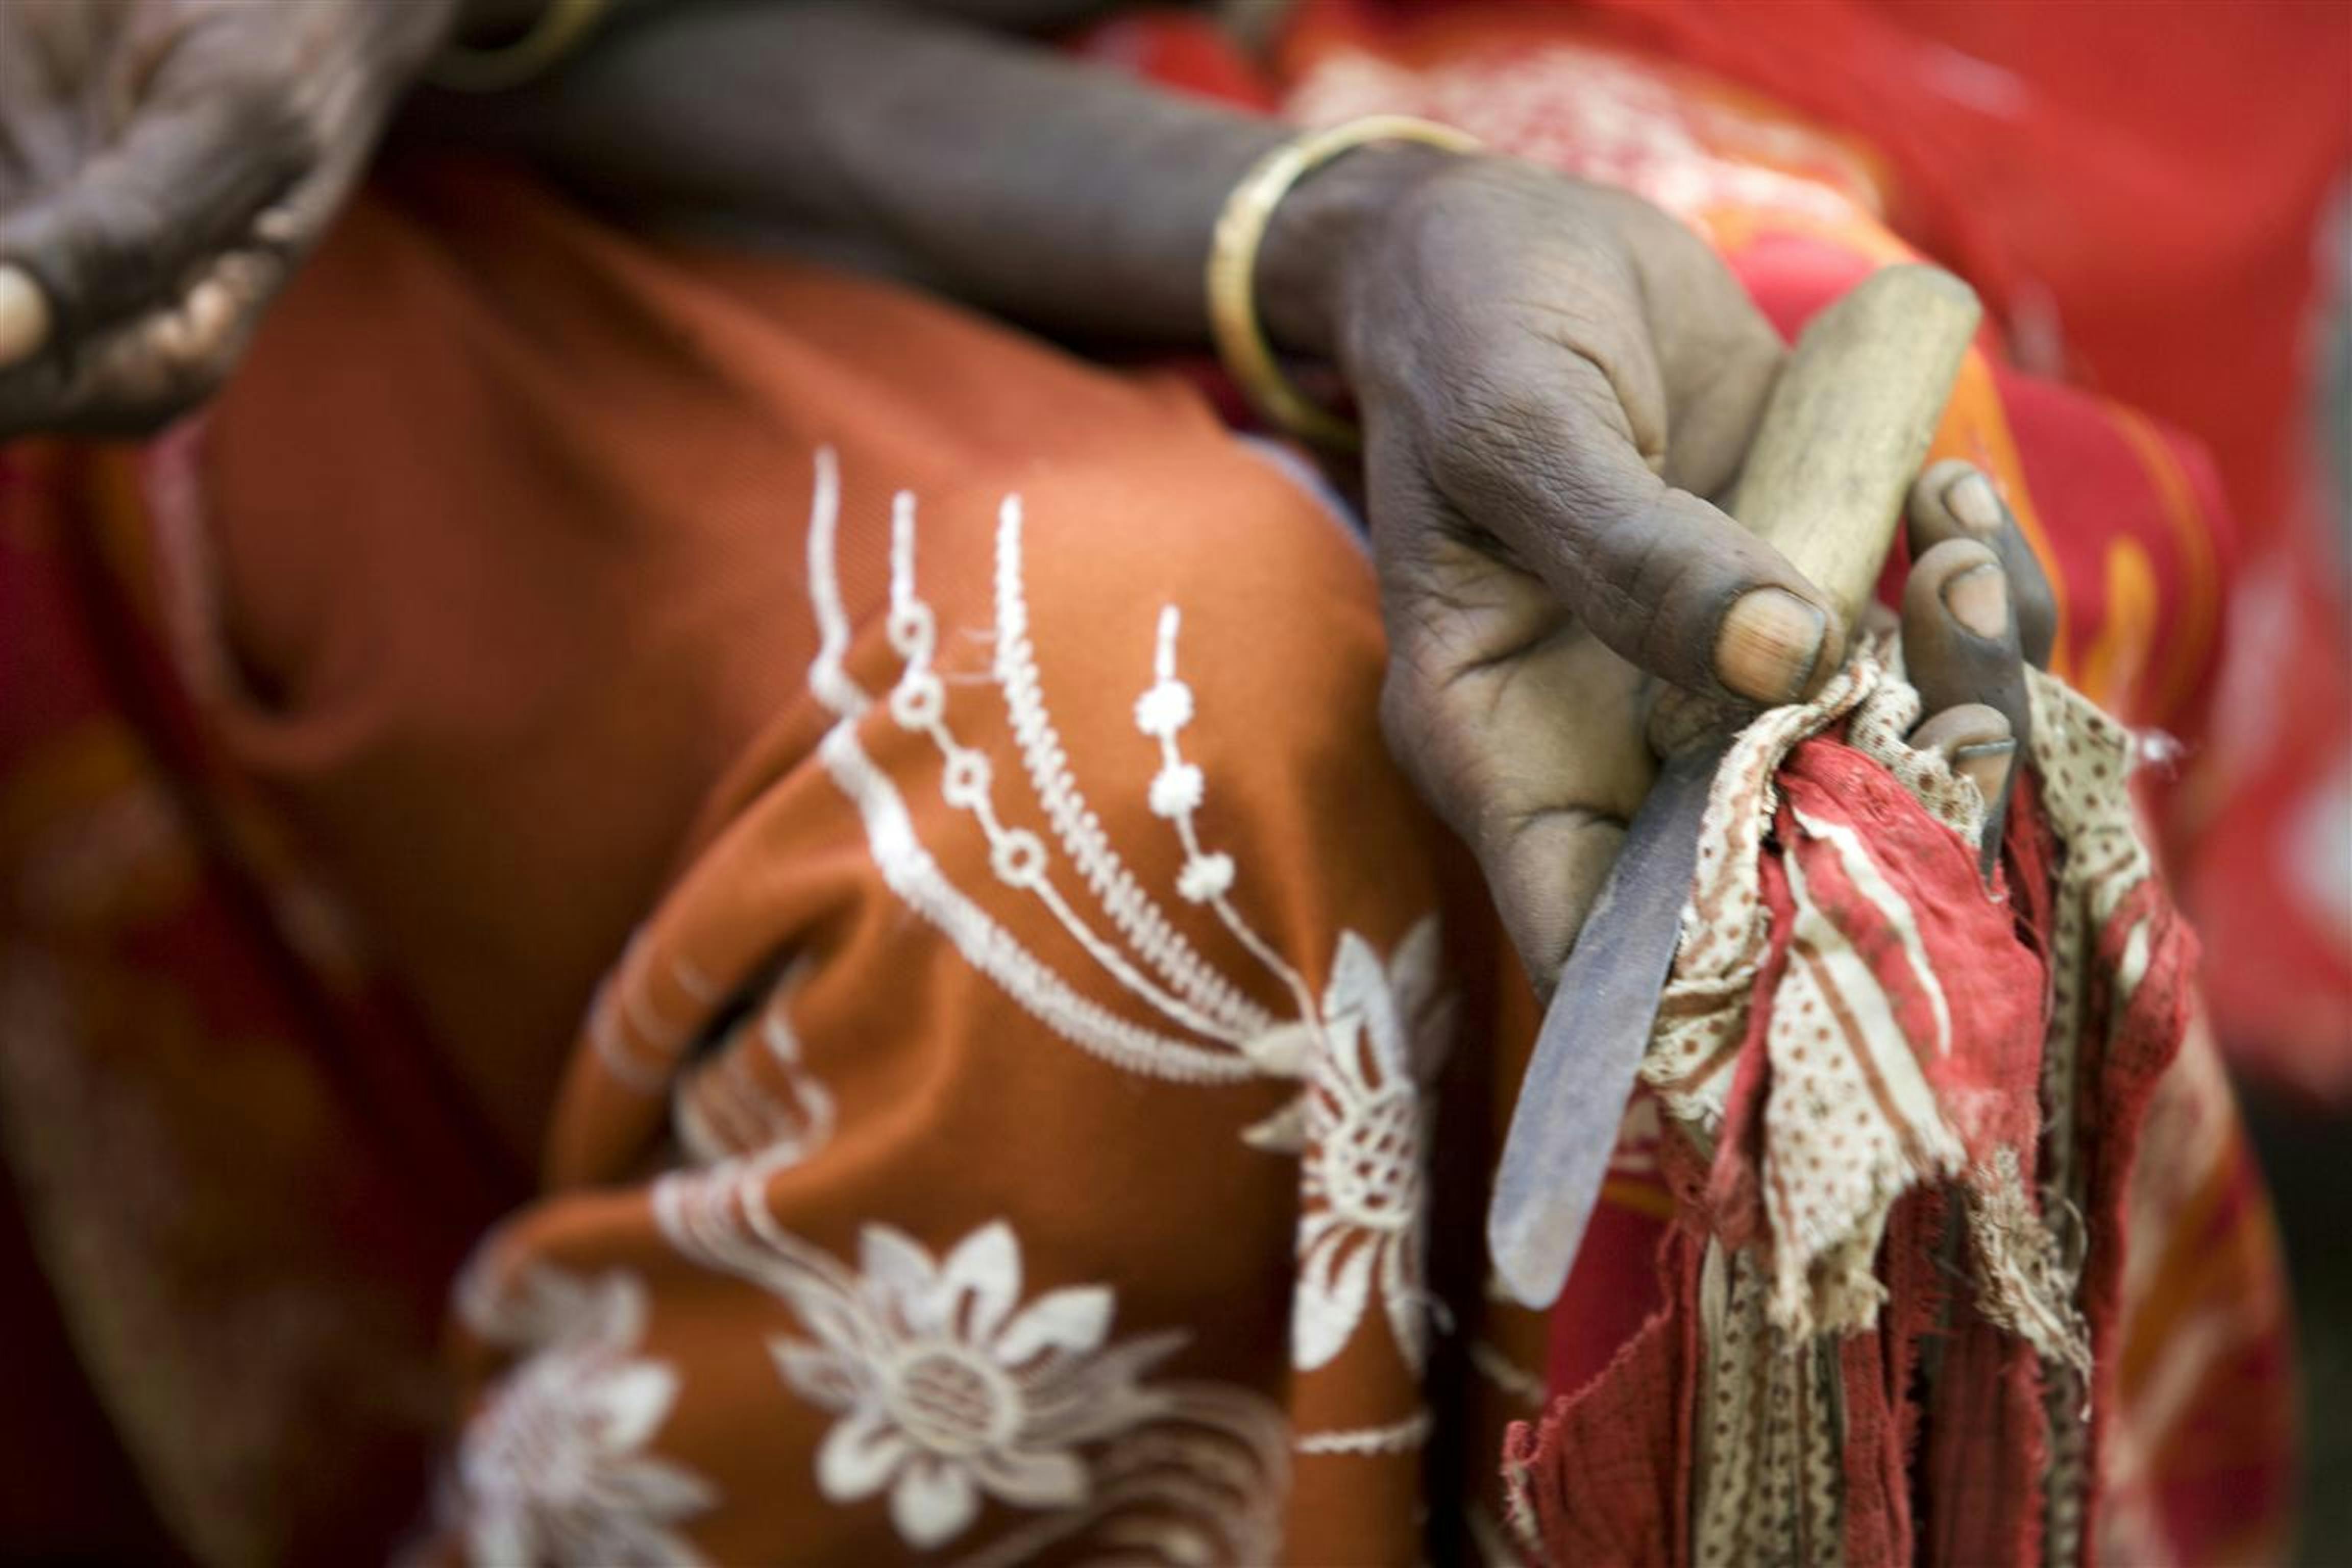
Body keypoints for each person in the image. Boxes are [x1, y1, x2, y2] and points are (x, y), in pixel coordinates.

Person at [0, 1, 2305, 1562]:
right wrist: (1321, 232)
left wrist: (1358, 222)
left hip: (1500, 66)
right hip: (463, 145)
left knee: (1872, 565)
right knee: (1135, 798)